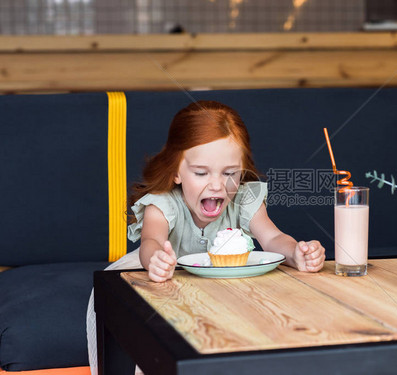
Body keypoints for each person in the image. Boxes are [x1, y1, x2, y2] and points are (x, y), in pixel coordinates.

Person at [86, 100, 326, 375]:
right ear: (176, 171)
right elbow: (150, 241)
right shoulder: (163, 203)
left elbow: (272, 238)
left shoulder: (244, 199)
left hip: (219, 290)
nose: (217, 185)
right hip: (165, 282)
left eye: (230, 173)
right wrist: (156, 260)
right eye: (201, 173)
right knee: (154, 338)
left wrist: (296, 252)